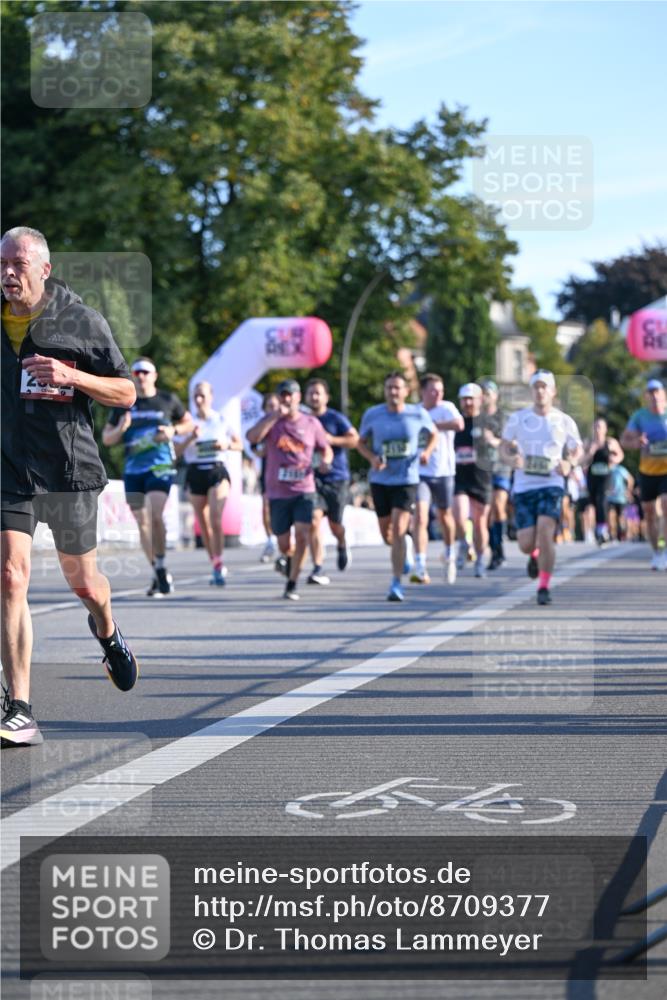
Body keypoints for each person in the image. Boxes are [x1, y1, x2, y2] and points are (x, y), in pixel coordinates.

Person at [1, 226, 139, 747]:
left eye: (18, 264)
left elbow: (125, 392)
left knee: (85, 584)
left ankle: (107, 630)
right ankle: (20, 707)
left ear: (44, 269)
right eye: (1, 265)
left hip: (67, 470)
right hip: (9, 469)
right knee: (11, 576)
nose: (8, 274)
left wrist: (72, 375)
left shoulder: (80, 320)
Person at [102, 357, 192, 597]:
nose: (140, 376)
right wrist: (121, 428)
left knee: (154, 514)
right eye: (136, 372)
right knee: (142, 522)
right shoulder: (124, 403)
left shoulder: (167, 400)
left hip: (160, 467)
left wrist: (173, 430)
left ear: (154, 375)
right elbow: (107, 439)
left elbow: (188, 423)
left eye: (145, 372)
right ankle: (158, 570)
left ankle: (160, 565)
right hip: (133, 470)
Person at [500, 369, 583, 605]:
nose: (540, 391)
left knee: (546, 532)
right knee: (526, 543)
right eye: (536, 386)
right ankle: (534, 555)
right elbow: (504, 446)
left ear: (553, 391)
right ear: (531, 391)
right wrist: (509, 459)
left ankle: (544, 586)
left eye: (545, 386)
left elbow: (577, 448)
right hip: (525, 486)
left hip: (552, 484)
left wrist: (570, 462)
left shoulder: (564, 420)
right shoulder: (519, 418)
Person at [247, 378, 332, 601]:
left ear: (298, 397)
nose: (286, 399)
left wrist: (326, 462)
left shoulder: (311, 423)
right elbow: (252, 438)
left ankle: (292, 583)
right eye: (282, 395)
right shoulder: (272, 421)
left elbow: (326, 449)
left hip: (304, 488)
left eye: (290, 395)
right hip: (278, 492)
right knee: (284, 542)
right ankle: (289, 560)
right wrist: (274, 416)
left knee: (304, 533)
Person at [357, 371, 437, 602]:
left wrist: (427, 452)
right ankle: (404, 551)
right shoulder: (373, 414)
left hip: (407, 479)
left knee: (400, 527)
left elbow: (433, 435)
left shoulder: (417, 413)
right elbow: (360, 443)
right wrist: (372, 457)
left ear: (406, 391)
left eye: (397, 388)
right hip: (380, 480)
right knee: (387, 534)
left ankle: (395, 584)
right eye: (389, 387)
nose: (393, 392)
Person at [175, 381, 242, 586]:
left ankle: (219, 560)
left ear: (211, 397)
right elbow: (176, 453)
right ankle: (215, 563)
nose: (198, 400)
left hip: (216, 469)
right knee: (202, 523)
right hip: (195, 471)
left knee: (215, 517)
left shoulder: (220, 419)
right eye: (196, 396)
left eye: (202, 396)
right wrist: (190, 439)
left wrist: (227, 444)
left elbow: (240, 445)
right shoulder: (189, 423)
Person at [410, 372, 463, 585]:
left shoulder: (446, 408)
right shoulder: (414, 411)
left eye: (440, 390)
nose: (438, 394)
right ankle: (420, 565)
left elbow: (459, 425)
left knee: (445, 517)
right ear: (423, 392)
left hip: (444, 472)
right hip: (420, 472)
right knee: (421, 517)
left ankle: (449, 553)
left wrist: (432, 426)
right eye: (433, 390)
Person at [305, 377, 359, 583]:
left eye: (318, 393)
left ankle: (342, 542)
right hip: (312, 478)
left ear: (326, 397)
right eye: (311, 393)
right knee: (313, 520)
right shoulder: (303, 420)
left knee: (335, 524)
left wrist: (332, 440)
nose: (315, 397)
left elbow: (354, 439)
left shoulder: (335, 418)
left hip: (336, 478)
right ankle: (318, 567)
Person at [621, 378, 667, 570]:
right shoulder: (640, 416)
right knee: (649, 513)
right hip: (647, 470)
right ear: (646, 397)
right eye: (651, 393)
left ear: (664, 395)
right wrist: (636, 442)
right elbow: (624, 440)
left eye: (657, 392)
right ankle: (656, 552)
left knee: (666, 504)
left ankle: (665, 550)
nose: (655, 396)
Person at [453, 383, 494, 578]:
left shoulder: (488, 421)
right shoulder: (455, 423)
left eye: (472, 398)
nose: (468, 402)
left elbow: (504, 443)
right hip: (459, 477)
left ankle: (480, 560)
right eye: (464, 399)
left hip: (481, 478)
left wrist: (491, 440)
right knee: (460, 516)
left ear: (480, 400)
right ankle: (464, 544)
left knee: (479, 522)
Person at [478, 378, 511, 570]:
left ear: (495, 396)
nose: (484, 398)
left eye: (488, 393)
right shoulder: (476, 418)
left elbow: (513, 444)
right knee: (487, 512)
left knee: (498, 506)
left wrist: (495, 441)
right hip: (482, 470)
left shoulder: (504, 418)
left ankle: (500, 547)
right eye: (482, 394)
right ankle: (495, 550)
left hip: (501, 468)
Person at [582, 417, 624, 546]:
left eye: (600, 426)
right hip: (592, 477)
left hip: (605, 477)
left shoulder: (610, 442)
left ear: (605, 429)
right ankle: (595, 530)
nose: (598, 429)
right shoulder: (589, 443)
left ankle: (602, 531)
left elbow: (620, 455)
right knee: (593, 503)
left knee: (602, 500)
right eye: (595, 426)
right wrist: (591, 452)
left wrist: (614, 459)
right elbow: (582, 461)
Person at [253, 392, 280, 562]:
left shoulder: (287, 423)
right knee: (267, 506)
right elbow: (254, 446)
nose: (272, 409)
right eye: (269, 406)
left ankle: (285, 541)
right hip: (268, 471)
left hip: (286, 473)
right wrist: (262, 451)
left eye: (275, 406)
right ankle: (270, 540)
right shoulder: (261, 425)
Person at [606, 461, 633, 541]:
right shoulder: (606, 469)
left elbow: (630, 479)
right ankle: (611, 534)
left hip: (620, 498)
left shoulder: (620, 469)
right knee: (610, 515)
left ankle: (620, 533)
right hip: (609, 497)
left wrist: (628, 491)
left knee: (620, 517)